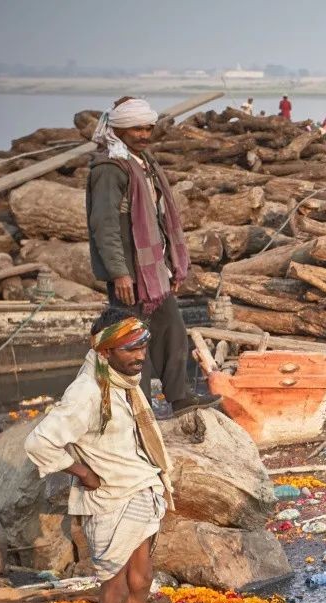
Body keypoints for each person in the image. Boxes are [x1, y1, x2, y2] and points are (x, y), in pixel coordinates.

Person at [24, 309, 182, 603]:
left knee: (141, 578)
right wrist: (81, 471)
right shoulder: (87, 392)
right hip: (110, 499)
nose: (140, 356)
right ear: (105, 350)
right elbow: (40, 442)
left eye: (143, 347)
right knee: (113, 590)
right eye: (131, 349)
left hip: (140, 487)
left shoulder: (123, 380)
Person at [86, 96, 220, 417]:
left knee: (172, 328)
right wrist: (120, 273)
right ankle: (139, 407)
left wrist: (171, 265)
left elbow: (159, 220)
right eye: (136, 129)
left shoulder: (144, 161)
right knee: (132, 341)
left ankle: (180, 398)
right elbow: (104, 226)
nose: (144, 134)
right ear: (118, 128)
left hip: (152, 270)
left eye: (147, 128)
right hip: (130, 272)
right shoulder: (111, 168)